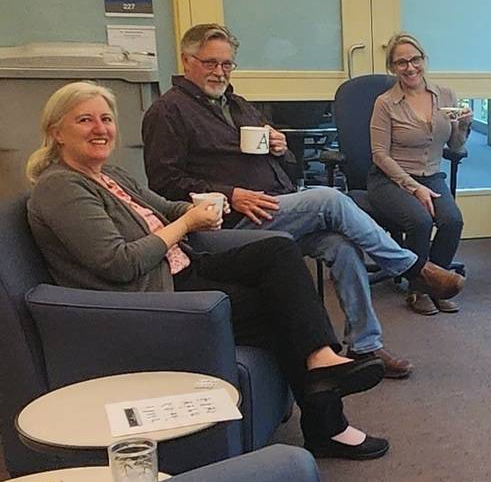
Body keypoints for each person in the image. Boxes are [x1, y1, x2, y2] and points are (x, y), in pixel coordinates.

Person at [25, 82, 390, 461]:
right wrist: (186, 224)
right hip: (154, 296)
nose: (100, 129)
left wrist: (199, 210)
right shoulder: (60, 188)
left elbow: (164, 206)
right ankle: (328, 423)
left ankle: (321, 360)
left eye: (106, 119)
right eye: (85, 120)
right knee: (280, 308)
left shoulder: (110, 174)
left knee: (278, 251)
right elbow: (119, 263)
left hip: (183, 264)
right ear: (56, 132)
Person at [141, 23, 465, 380]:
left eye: (227, 64)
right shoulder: (167, 112)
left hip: (276, 206)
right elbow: (164, 183)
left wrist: (281, 149)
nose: (220, 72)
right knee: (330, 199)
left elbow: (288, 166)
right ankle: (414, 269)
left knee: (342, 246)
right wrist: (231, 194)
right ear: (187, 61)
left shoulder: (238, 105)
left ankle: (365, 345)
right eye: (210, 63)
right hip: (229, 223)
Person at [366, 33, 470, 316]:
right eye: (401, 62)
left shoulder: (446, 96)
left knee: (452, 221)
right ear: (392, 67)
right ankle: (418, 289)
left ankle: (436, 284)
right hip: (390, 179)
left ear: (424, 60)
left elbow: (455, 145)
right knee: (420, 221)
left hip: (431, 175)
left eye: (415, 59)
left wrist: (463, 126)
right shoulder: (385, 103)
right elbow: (379, 155)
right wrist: (413, 187)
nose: (410, 67)